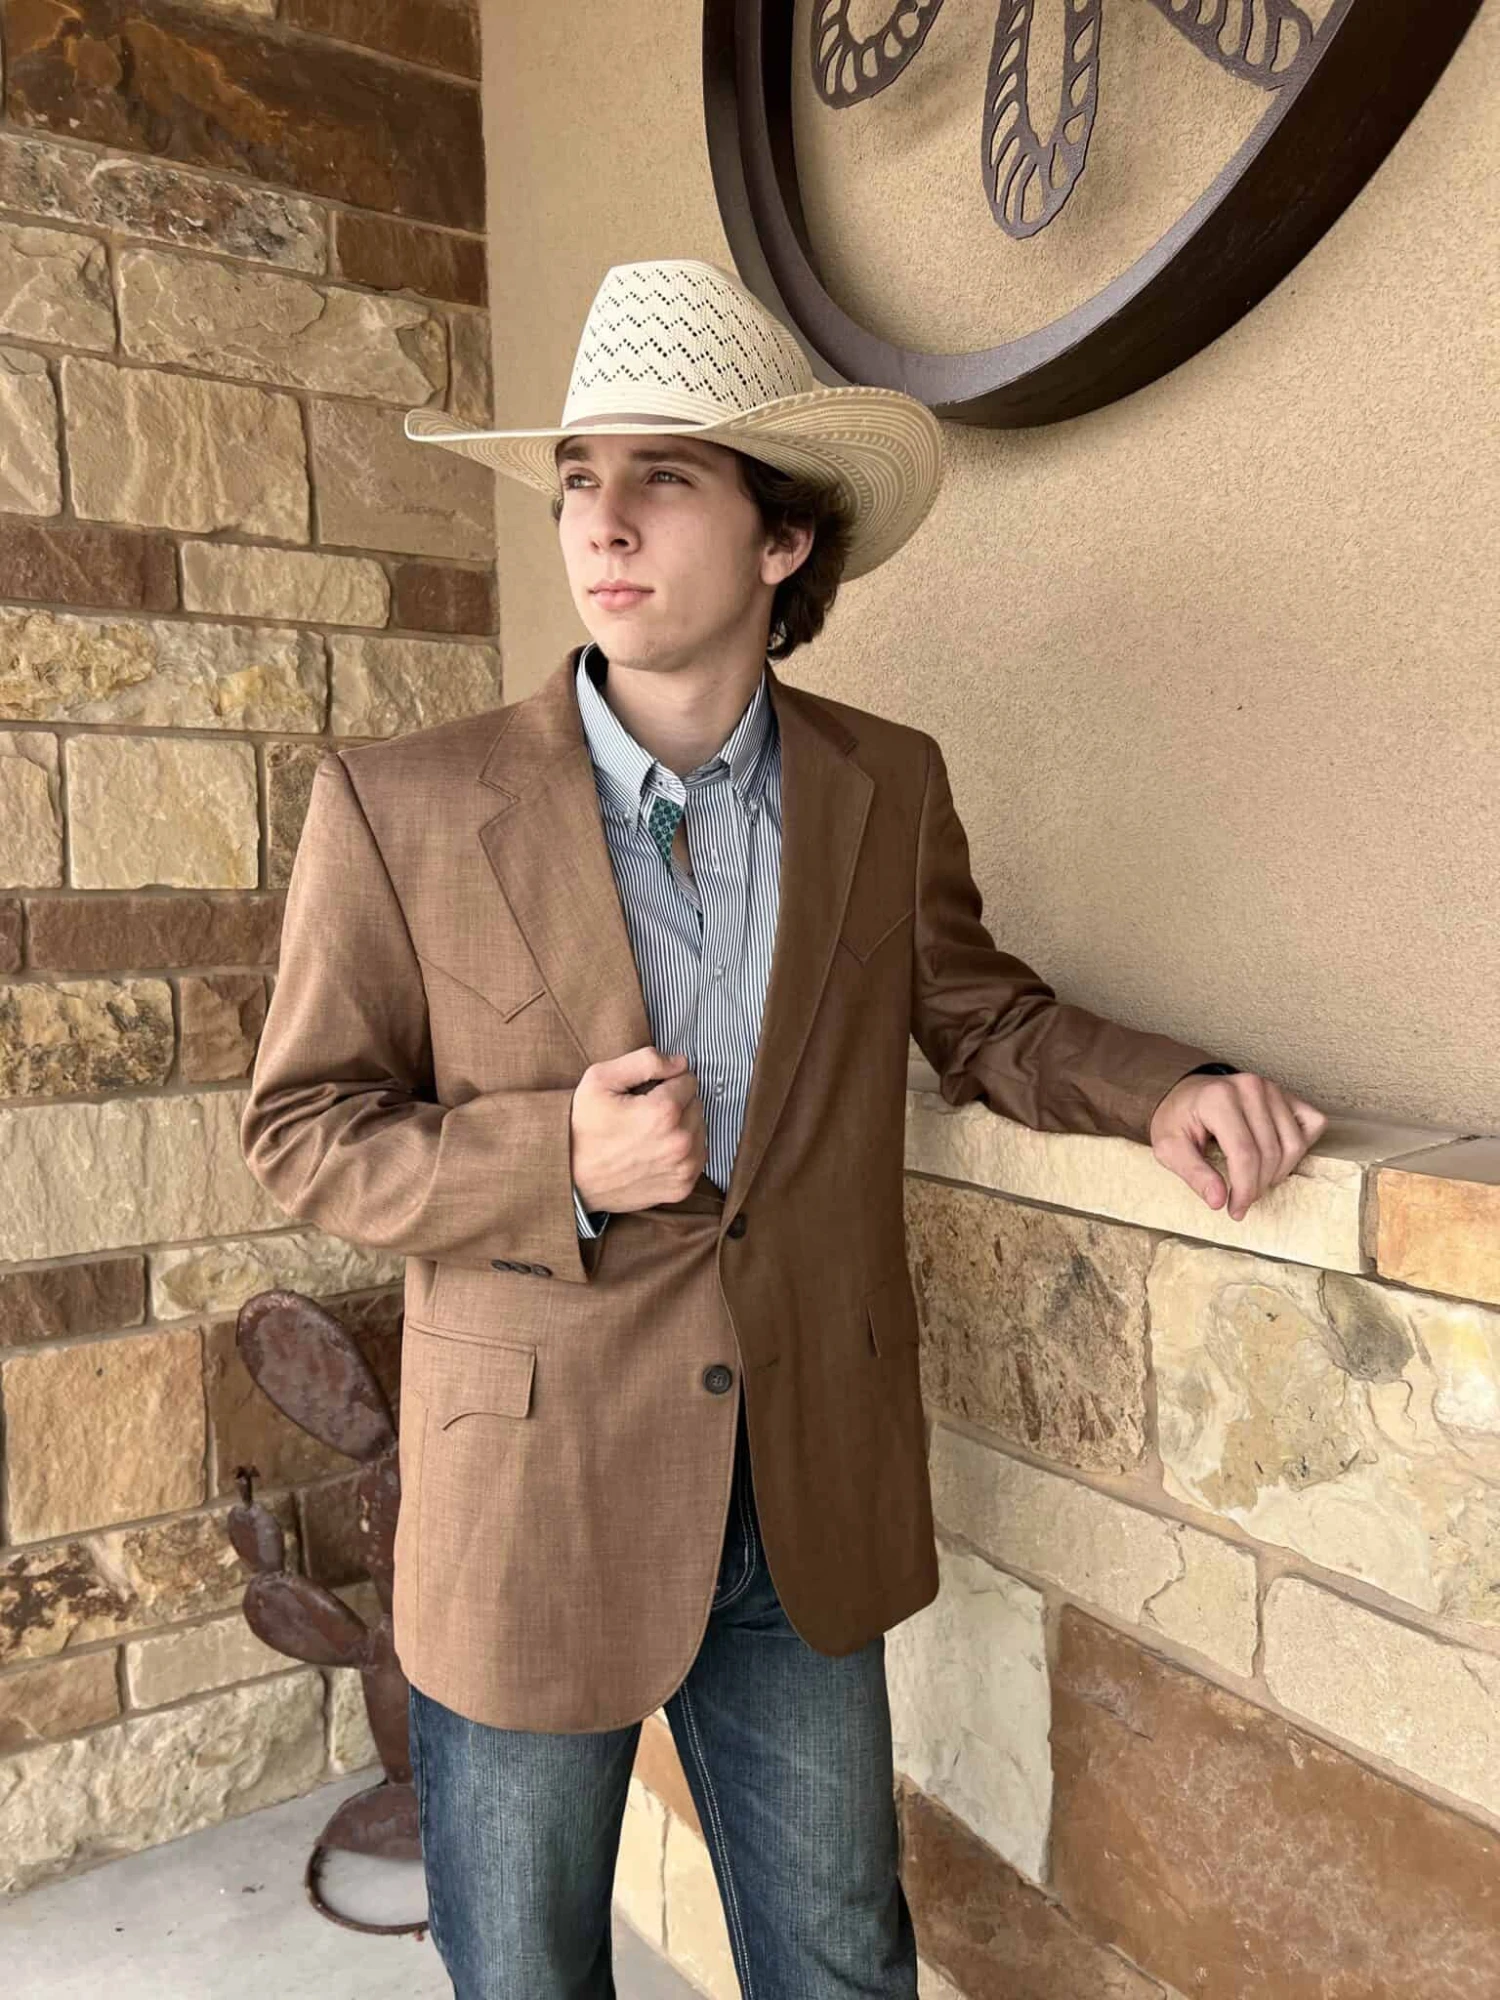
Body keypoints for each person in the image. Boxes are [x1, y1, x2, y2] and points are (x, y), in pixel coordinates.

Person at [241, 257, 1328, 1997]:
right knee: (523, 1973)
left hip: (796, 1488)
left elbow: (982, 1015)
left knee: (839, 1961)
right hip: (531, 1504)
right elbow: (303, 1129)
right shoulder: (403, 806)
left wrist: (1166, 1087)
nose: (602, 522)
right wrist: (553, 1164)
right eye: (579, 480)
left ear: (783, 538)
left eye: (663, 478)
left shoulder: (884, 782)